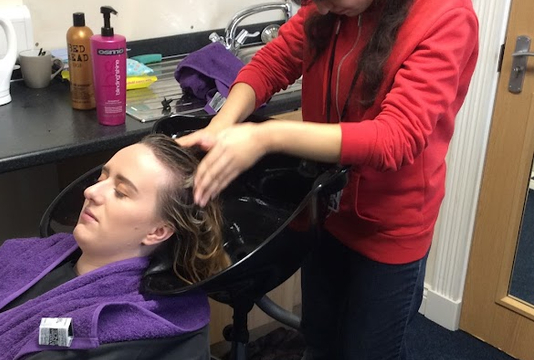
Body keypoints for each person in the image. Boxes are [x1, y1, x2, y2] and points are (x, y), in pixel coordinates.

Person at [178, 0, 479, 359]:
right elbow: (272, 63)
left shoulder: (447, 17)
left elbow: (395, 137)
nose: (318, 6)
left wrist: (266, 138)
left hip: (389, 230)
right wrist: (223, 123)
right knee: (318, 339)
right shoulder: (327, 9)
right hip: (324, 208)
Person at [0, 134, 230, 360]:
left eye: (121, 192)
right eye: (102, 177)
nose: (90, 191)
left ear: (158, 231)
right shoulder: (36, 254)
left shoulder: (140, 322)